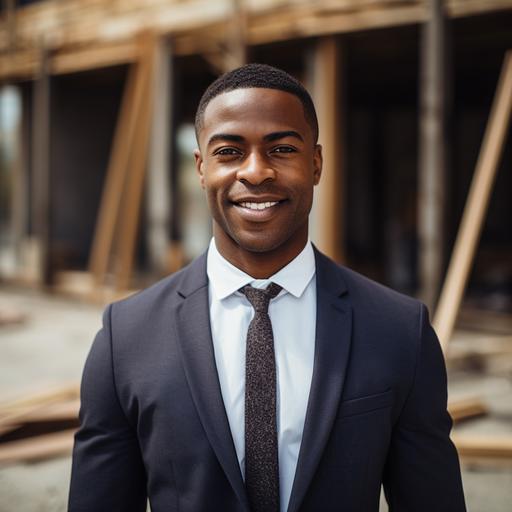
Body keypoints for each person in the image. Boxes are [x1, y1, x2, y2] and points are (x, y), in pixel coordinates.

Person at [68, 63, 466, 512]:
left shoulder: (400, 330)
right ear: (201, 168)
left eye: (280, 149)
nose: (256, 172)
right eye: (229, 152)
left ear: (315, 164)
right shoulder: (126, 338)